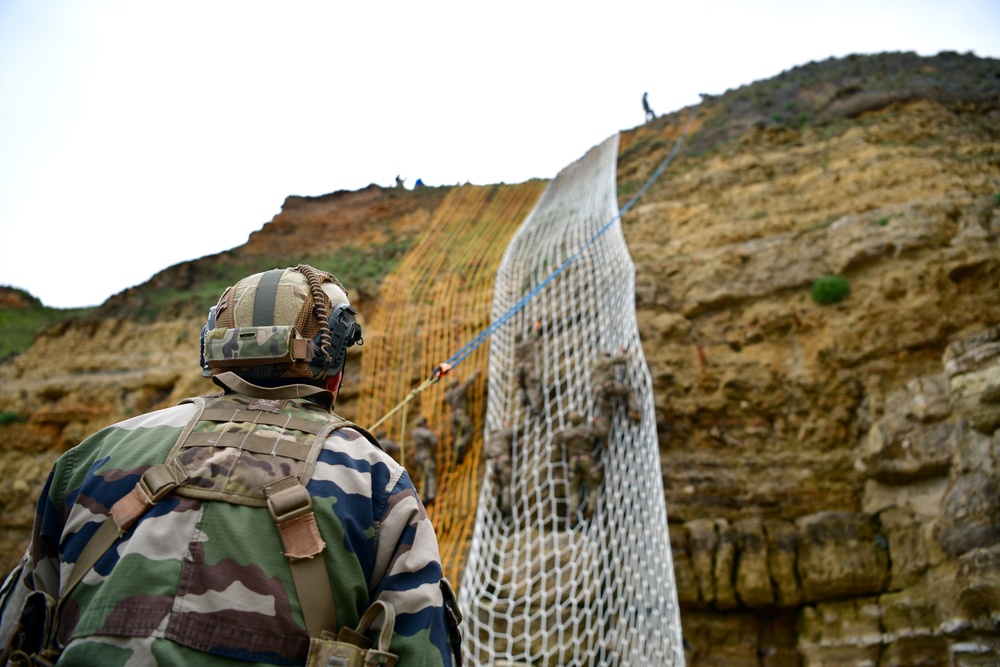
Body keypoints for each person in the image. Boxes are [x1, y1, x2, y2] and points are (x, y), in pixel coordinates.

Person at [0, 264, 462, 666]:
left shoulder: (93, 454)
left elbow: (17, 630)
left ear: (214, 351)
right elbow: (423, 649)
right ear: (334, 365)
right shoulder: (377, 482)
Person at [553, 412, 605, 524]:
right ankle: (591, 510)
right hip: (587, 462)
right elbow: (602, 433)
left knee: (574, 491)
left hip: (573, 463)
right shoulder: (586, 429)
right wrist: (597, 423)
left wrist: (564, 433)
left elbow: (557, 440)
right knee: (594, 485)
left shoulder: (567, 433)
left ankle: (572, 514)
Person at [592, 347, 642, 433]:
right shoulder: (605, 360)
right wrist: (624, 353)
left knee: (606, 414)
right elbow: (621, 360)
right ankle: (633, 411)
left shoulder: (594, 366)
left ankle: (604, 436)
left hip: (600, 392)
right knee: (628, 390)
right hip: (608, 386)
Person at [443, 370, 479, 465]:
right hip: (460, 414)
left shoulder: (449, 395)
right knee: (470, 431)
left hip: (453, 417)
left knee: (459, 436)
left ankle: (458, 457)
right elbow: (467, 384)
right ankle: (460, 446)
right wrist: (475, 373)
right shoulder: (458, 391)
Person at [513, 321, 544, 416]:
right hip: (528, 369)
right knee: (531, 387)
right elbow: (534, 337)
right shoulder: (527, 344)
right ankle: (535, 408)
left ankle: (524, 400)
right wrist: (535, 328)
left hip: (519, 371)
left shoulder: (516, 348)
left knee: (521, 387)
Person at [484, 422, 514, 518]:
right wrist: (506, 427)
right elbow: (511, 434)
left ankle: (498, 505)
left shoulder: (490, 439)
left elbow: (486, 454)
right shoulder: (502, 433)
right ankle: (506, 508)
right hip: (503, 461)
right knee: (506, 485)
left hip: (494, 464)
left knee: (499, 485)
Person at [411, 415, 440, 504]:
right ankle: (431, 495)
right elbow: (434, 442)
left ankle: (423, 496)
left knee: (424, 476)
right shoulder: (425, 432)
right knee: (430, 475)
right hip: (425, 455)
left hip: (418, 456)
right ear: (423, 424)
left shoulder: (415, 432)